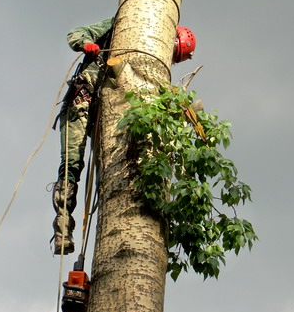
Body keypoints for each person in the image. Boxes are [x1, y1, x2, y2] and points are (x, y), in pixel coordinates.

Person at [51, 18, 196, 255]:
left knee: (109, 171)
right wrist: (87, 43)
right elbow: (76, 33)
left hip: (107, 117)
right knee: (72, 163)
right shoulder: (121, 23)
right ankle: (63, 226)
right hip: (83, 100)